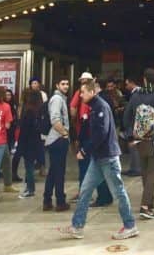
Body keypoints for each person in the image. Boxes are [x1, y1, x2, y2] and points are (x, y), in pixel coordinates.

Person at [60, 78, 138, 240]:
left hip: (108, 157)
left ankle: (130, 225)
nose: (80, 95)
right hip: (99, 158)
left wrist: (84, 150)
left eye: (83, 92)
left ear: (92, 92)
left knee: (118, 192)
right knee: (85, 190)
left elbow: (100, 134)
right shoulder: (94, 107)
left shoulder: (100, 107)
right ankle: (77, 226)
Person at [123, 68, 154, 219]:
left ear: (144, 79)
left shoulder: (136, 96)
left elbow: (126, 117)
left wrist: (130, 135)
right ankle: (145, 206)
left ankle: (150, 205)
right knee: (153, 174)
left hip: (139, 139)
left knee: (145, 173)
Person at [70, 72, 113, 207]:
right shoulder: (100, 101)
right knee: (99, 170)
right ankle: (103, 196)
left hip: (92, 141)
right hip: (96, 141)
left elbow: (92, 125)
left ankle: (91, 195)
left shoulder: (97, 104)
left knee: (91, 169)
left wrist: (84, 147)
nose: (81, 94)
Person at [43, 77, 71, 212]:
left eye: (67, 84)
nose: (66, 86)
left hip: (56, 139)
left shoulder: (60, 99)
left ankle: (47, 200)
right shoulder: (57, 99)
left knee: (54, 172)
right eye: (63, 84)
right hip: (57, 139)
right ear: (57, 85)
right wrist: (64, 133)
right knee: (59, 172)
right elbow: (55, 119)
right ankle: (60, 201)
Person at [16, 89, 42, 199]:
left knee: (29, 167)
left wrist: (20, 144)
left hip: (28, 143)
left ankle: (30, 189)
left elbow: (24, 129)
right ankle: (29, 188)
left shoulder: (29, 112)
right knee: (30, 166)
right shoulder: (38, 111)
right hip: (35, 142)